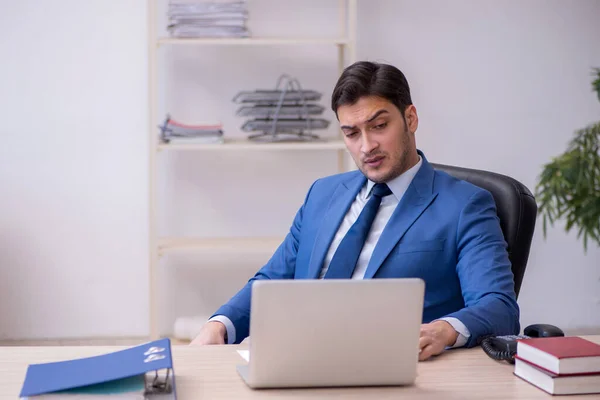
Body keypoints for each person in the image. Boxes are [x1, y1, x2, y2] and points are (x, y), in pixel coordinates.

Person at [191, 61, 520, 361]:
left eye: (379, 126)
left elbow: (498, 306)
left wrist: (443, 330)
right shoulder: (323, 193)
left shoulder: (464, 205)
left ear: (410, 118)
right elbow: (274, 278)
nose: (366, 146)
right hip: (299, 359)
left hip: (392, 369)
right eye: (351, 133)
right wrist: (221, 324)